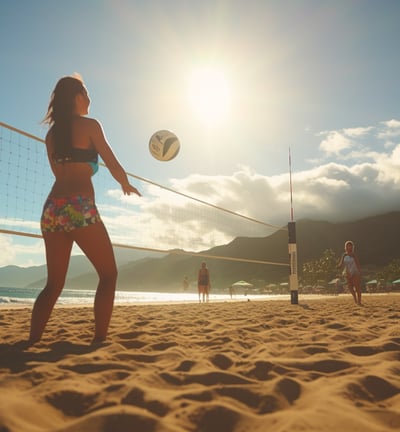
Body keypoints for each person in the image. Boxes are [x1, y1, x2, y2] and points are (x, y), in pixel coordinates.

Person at [28, 74, 141, 345]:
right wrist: (125, 184)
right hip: (79, 206)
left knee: (53, 285)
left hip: (52, 208)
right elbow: (112, 163)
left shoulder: (51, 135)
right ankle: (99, 339)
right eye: (87, 94)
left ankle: (30, 342)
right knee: (109, 274)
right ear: (77, 97)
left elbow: (58, 173)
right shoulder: (90, 125)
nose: (90, 99)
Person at [337, 240, 362, 305]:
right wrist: (338, 266)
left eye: (350, 246)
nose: (349, 248)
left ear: (352, 247)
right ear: (345, 247)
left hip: (355, 272)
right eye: (347, 246)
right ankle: (355, 300)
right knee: (350, 288)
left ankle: (359, 302)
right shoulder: (344, 255)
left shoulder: (354, 255)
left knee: (357, 288)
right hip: (348, 272)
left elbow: (357, 263)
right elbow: (341, 264)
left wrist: (359, 272)